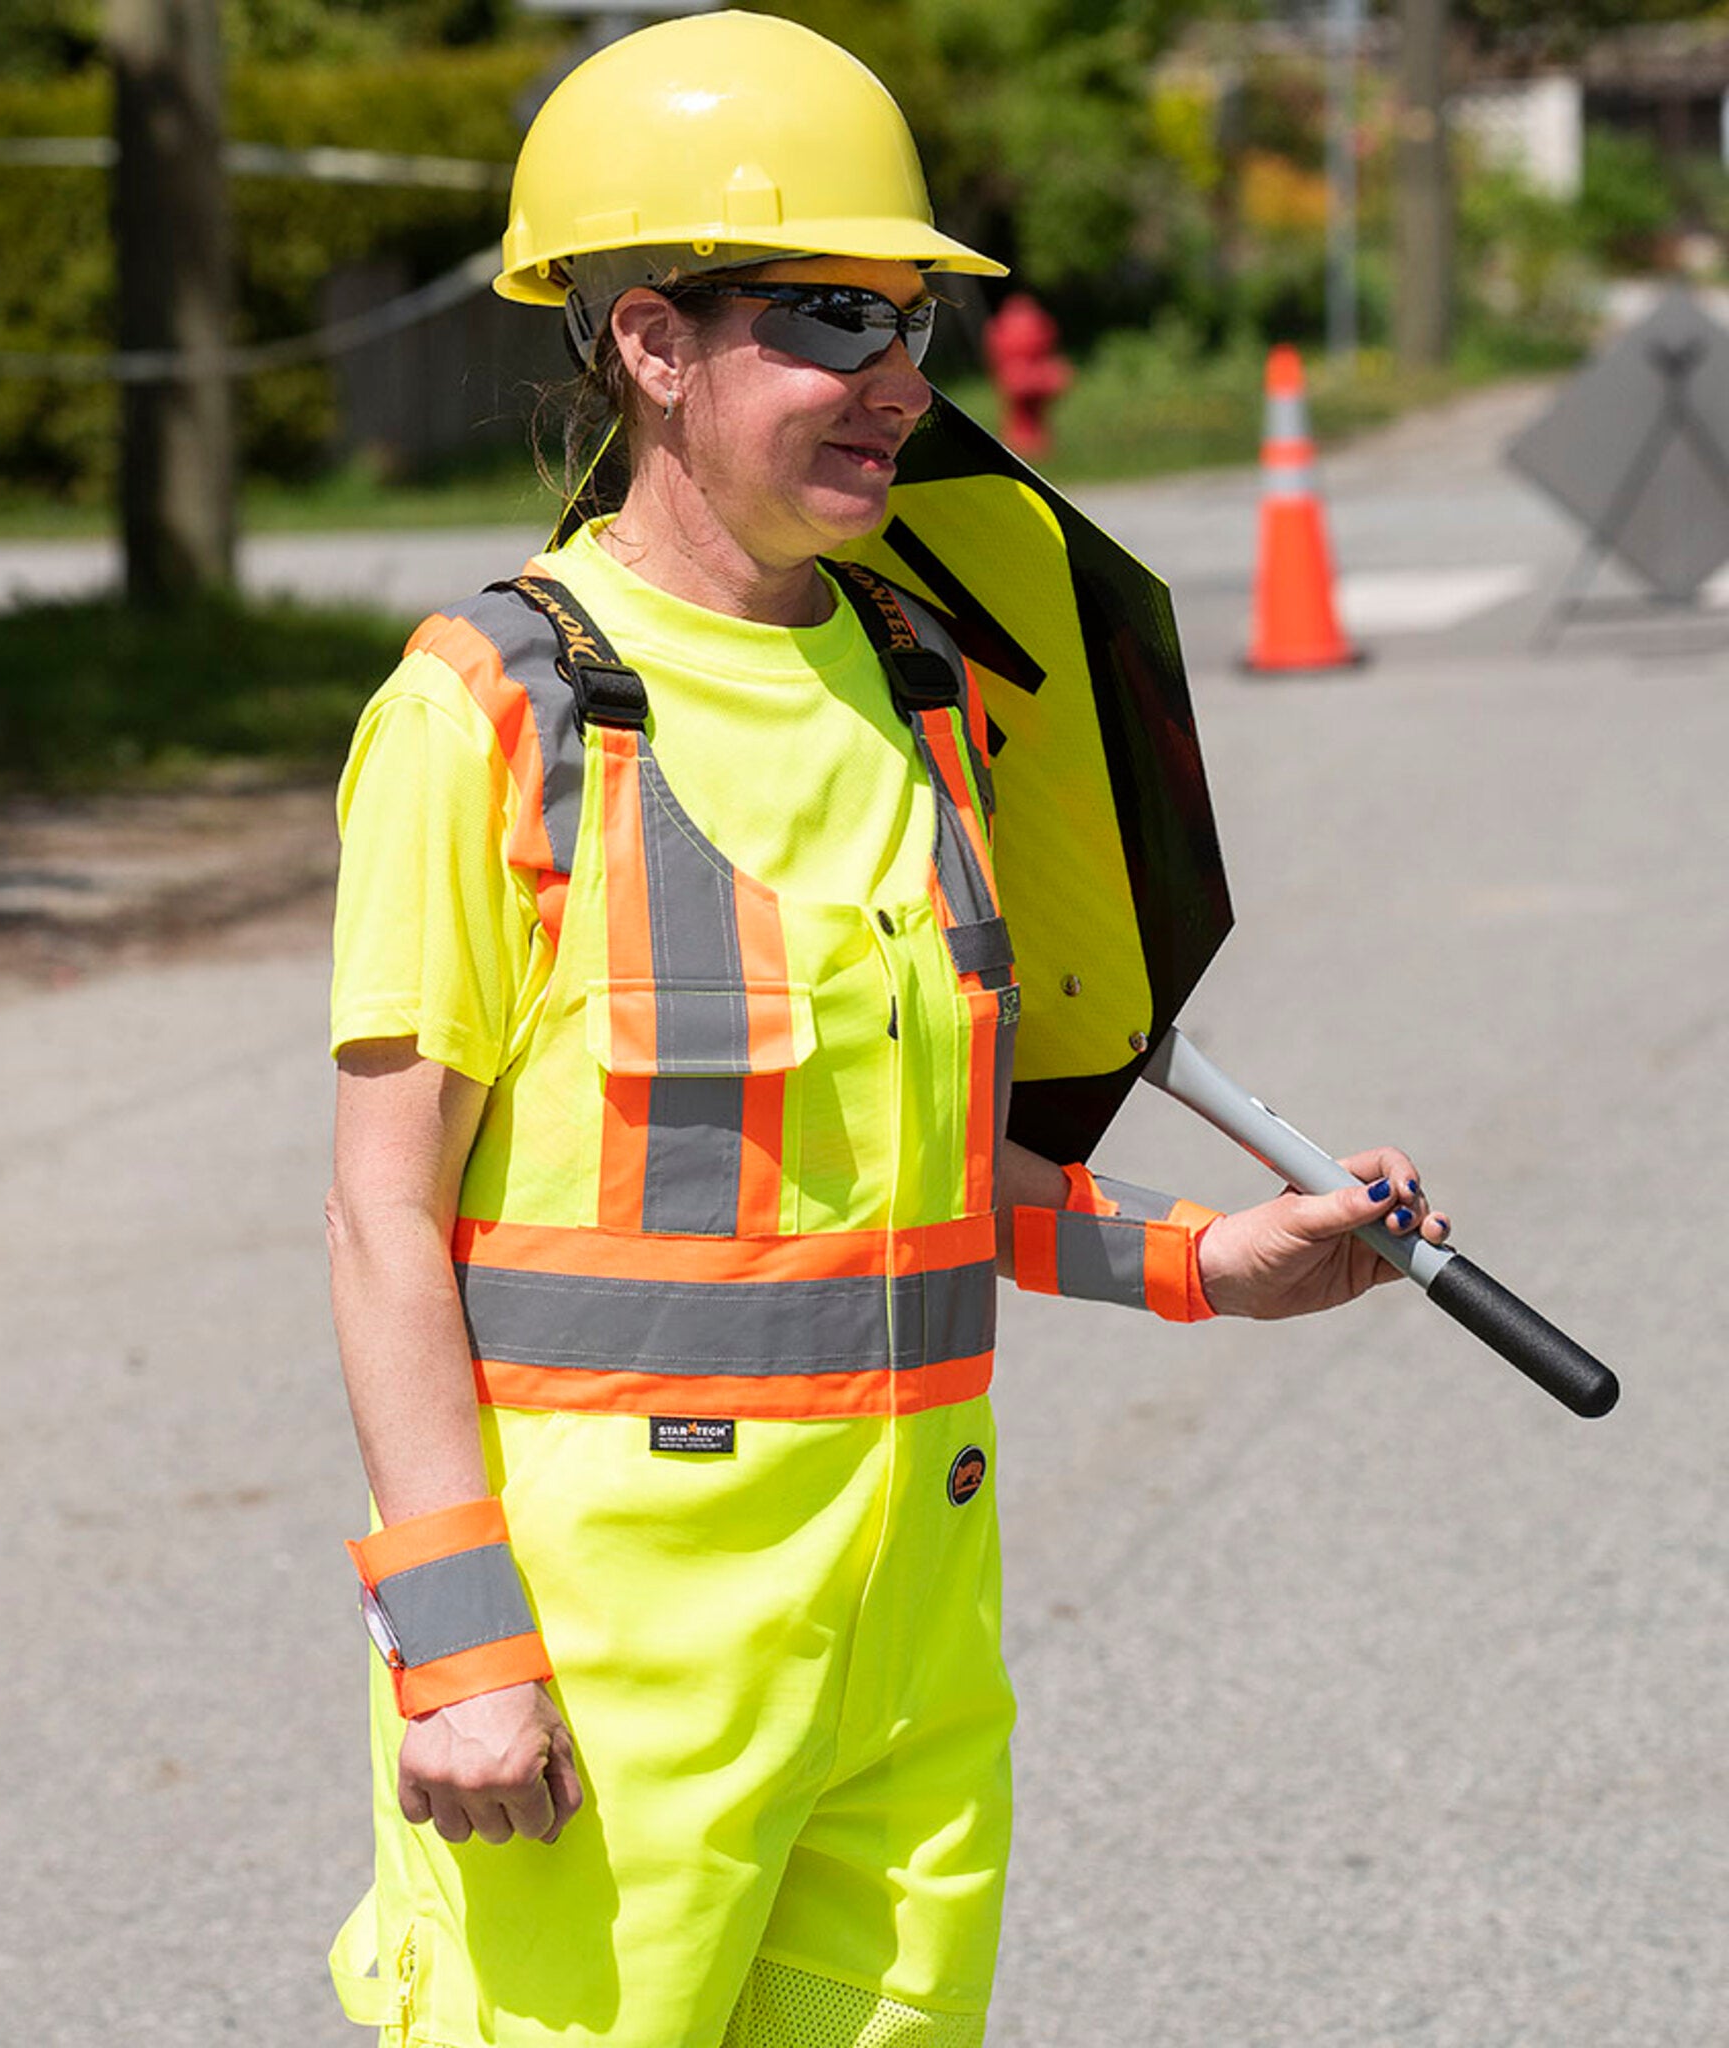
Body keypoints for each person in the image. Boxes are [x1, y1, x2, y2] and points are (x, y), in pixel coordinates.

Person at [321, 14, 1449, 2047]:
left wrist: (1207, 1261)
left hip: (908, 1647)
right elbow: (382, 1220)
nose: (898, 380)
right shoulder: (487, 708)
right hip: (610, 1667)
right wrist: (456, 1639)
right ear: (651, 342)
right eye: (832, 317)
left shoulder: (925, 678)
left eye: (912, 318)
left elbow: (909, 1186)